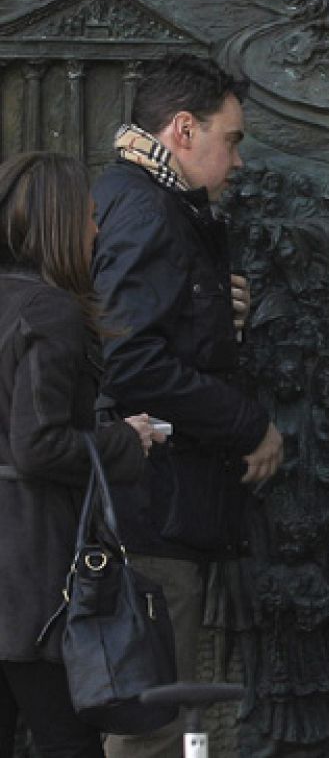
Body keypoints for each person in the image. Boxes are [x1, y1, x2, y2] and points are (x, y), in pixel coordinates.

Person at [91, 53, 284, 758]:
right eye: (230, 139)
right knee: (156, 724)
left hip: (169, 509)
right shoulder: (146, 210)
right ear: (182, 129)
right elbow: (134, 361)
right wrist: (249, 424)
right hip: (153, 514)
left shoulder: (161, 205)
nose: (235, 160)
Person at [0, 153, 162, 758]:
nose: (97, 231)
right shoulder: (50, 312)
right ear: (61, 223)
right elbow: (37, 444)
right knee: (66, 739)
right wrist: (127, 440)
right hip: (36, 578)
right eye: (91, 217)